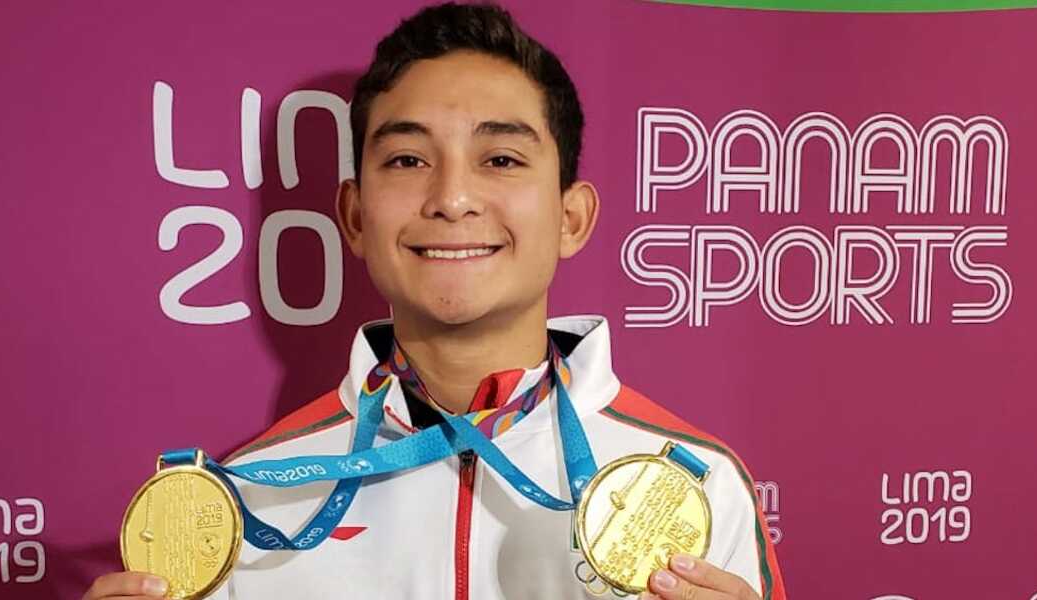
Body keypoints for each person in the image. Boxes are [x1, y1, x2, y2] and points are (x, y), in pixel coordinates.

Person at [84, 3, 785, 599]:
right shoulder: (247, 501)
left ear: (571, 218)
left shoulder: (697, 486)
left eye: (501, 160)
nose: (451, 198)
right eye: (407, 160)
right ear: (355, 217)